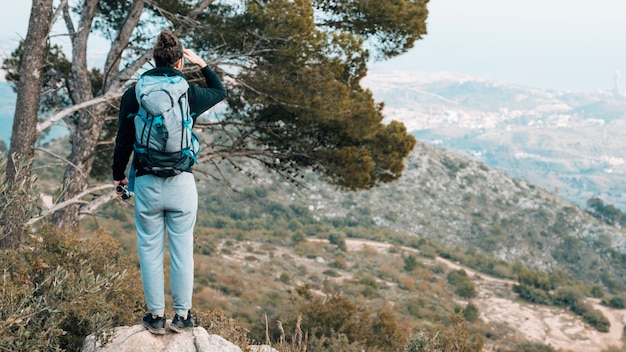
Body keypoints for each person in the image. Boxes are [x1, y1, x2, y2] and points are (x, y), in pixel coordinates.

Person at [112, 30, 227, 334]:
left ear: (154, 59)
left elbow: (123, 139)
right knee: (182, 250)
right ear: (179, 63)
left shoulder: (135, 92)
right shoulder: (188, 92)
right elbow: (219, 91)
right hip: (181, 184)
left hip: (147, 182)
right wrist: (202, 64)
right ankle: (183, 316)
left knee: (149, 249)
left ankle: (155, 317)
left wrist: (118, 176)